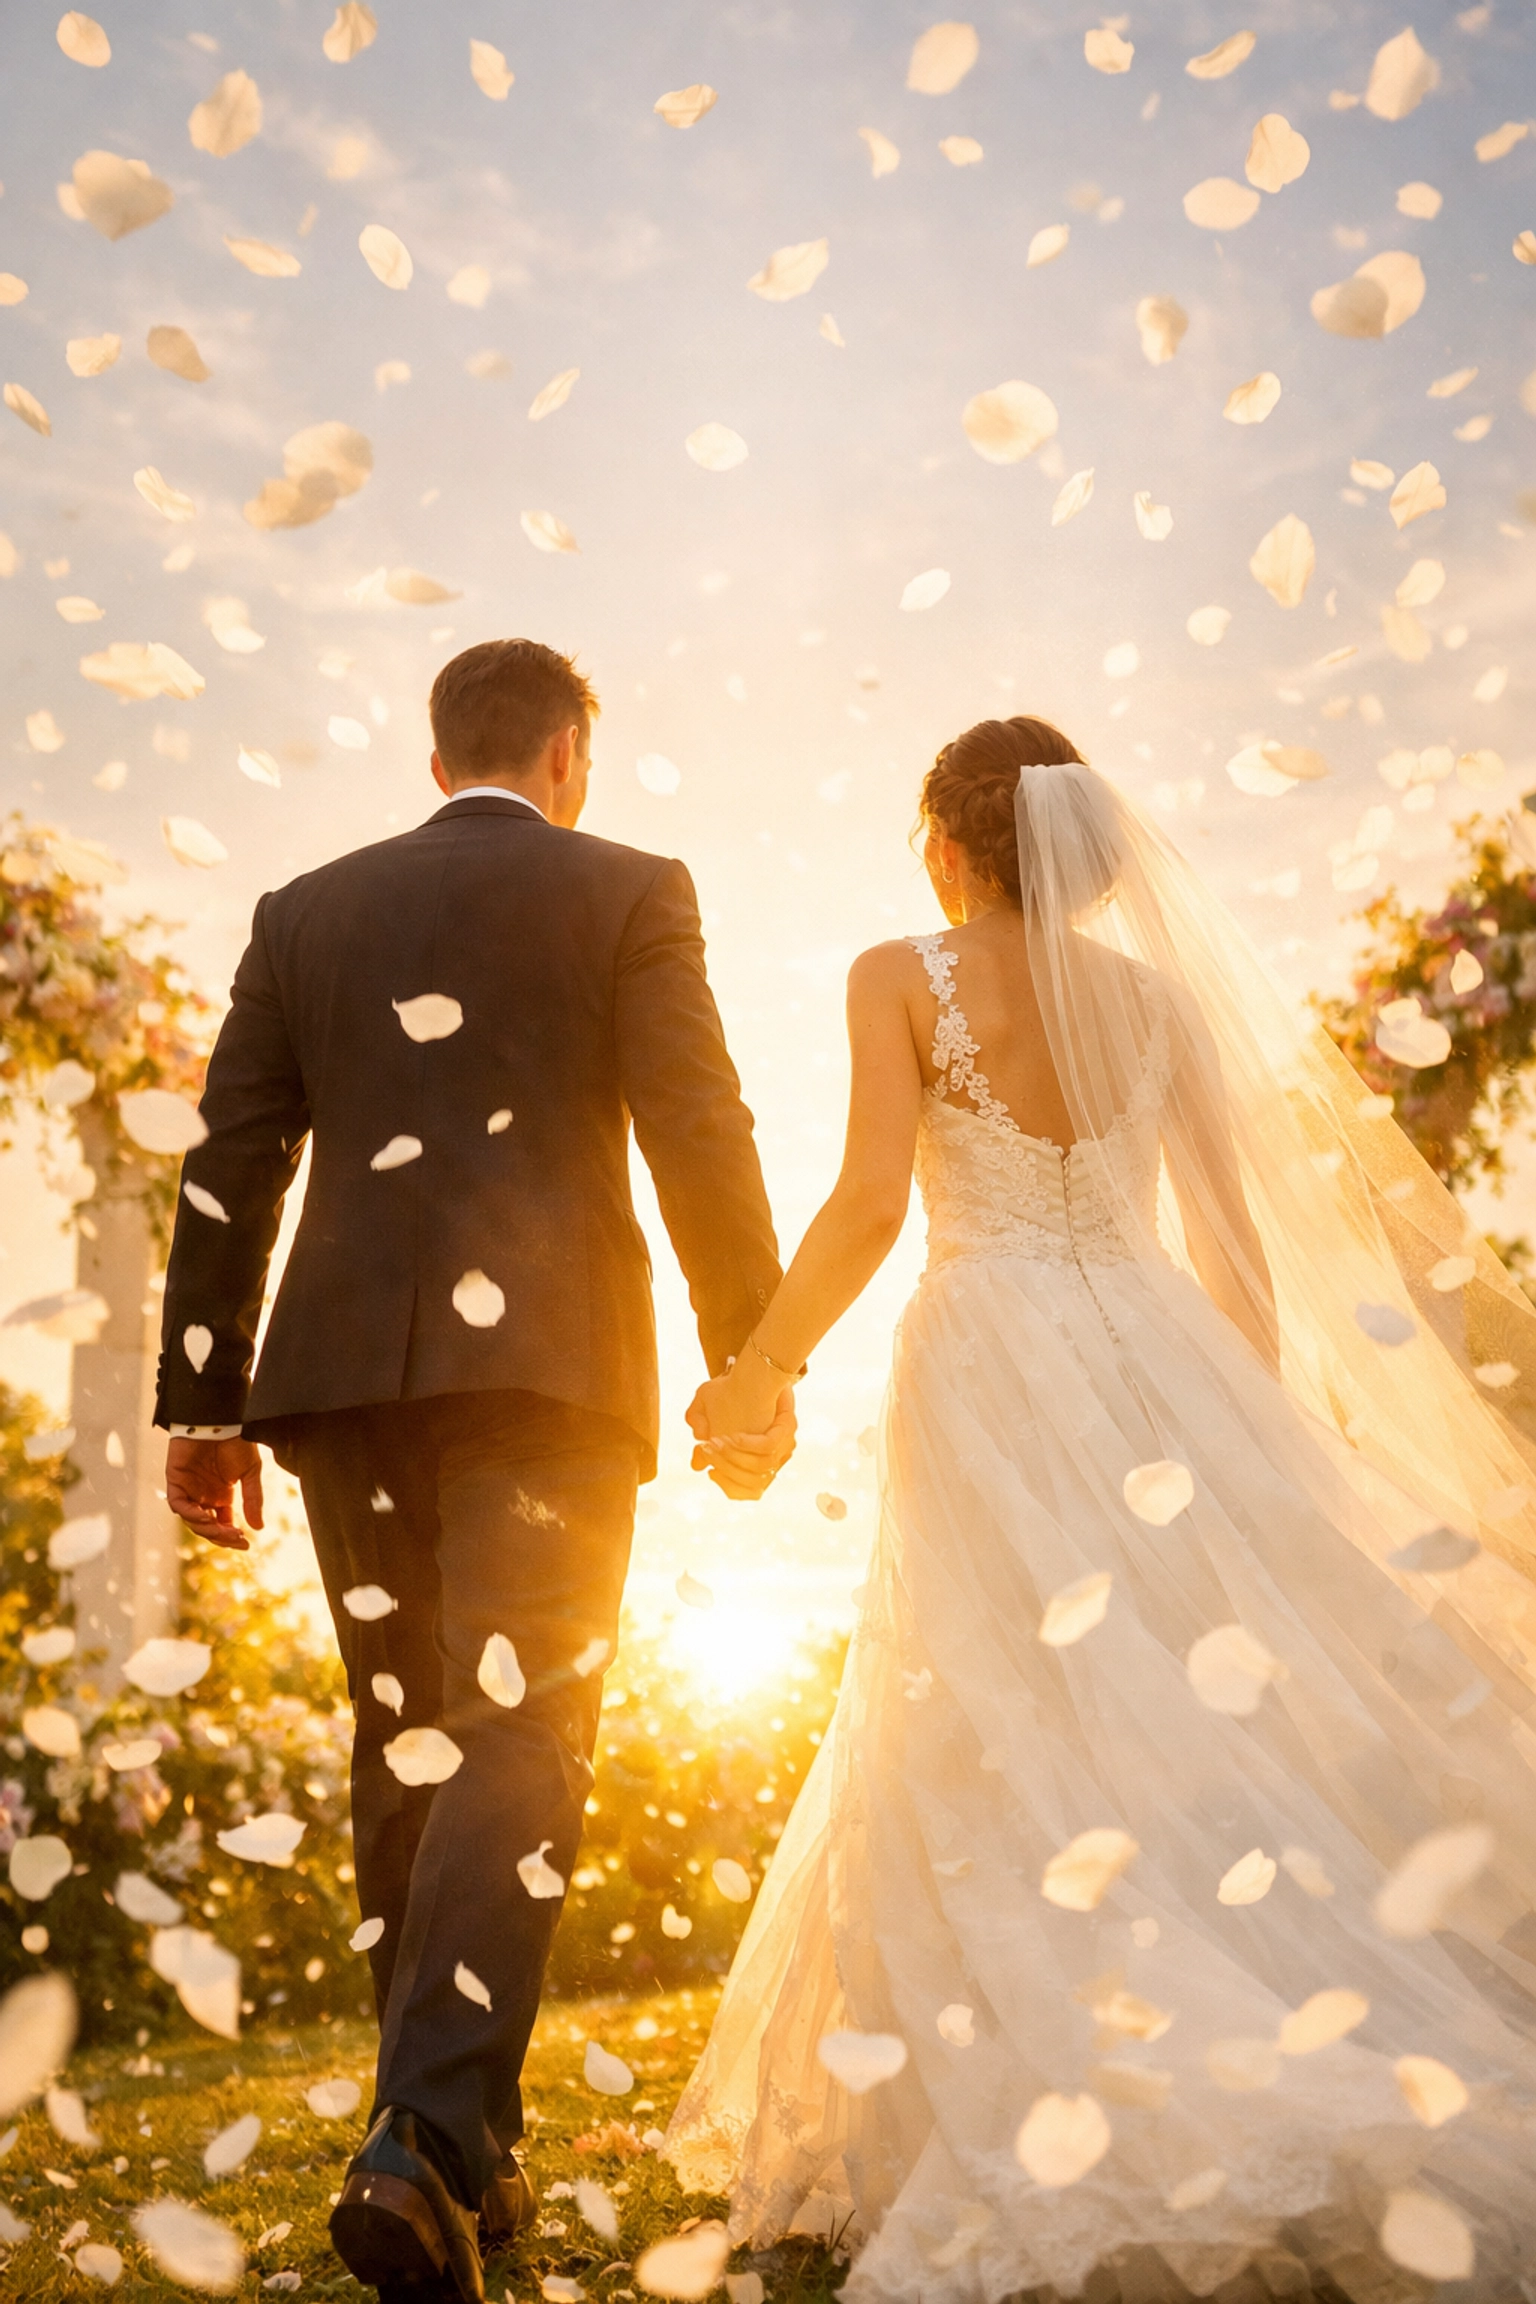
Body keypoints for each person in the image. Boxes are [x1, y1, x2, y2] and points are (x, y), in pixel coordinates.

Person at [671, 716, 1536, 2300]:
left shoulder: (898, 975)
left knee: (995, 1709)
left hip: (989, 1352)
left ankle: (1068, 2069)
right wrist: (1245, 1433)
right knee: (1175, 1713)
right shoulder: (1160, 1002)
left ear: (947, 844)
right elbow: (1232, 1244)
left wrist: (759, 1371)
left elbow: (869, 1201)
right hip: (1159, 1360)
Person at [155, 638, 794, 2304]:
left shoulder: (304, 911)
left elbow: (232, 1157)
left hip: (343, 1382)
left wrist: (203, 1400)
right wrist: (752, 1356)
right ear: (570, 752)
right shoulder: (632, 889)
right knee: (519, 1731)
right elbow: (698, 1124)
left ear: (439, 760)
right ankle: (429, 2140)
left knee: (410, 1739)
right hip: (550, 1376)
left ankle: (458, 2144)